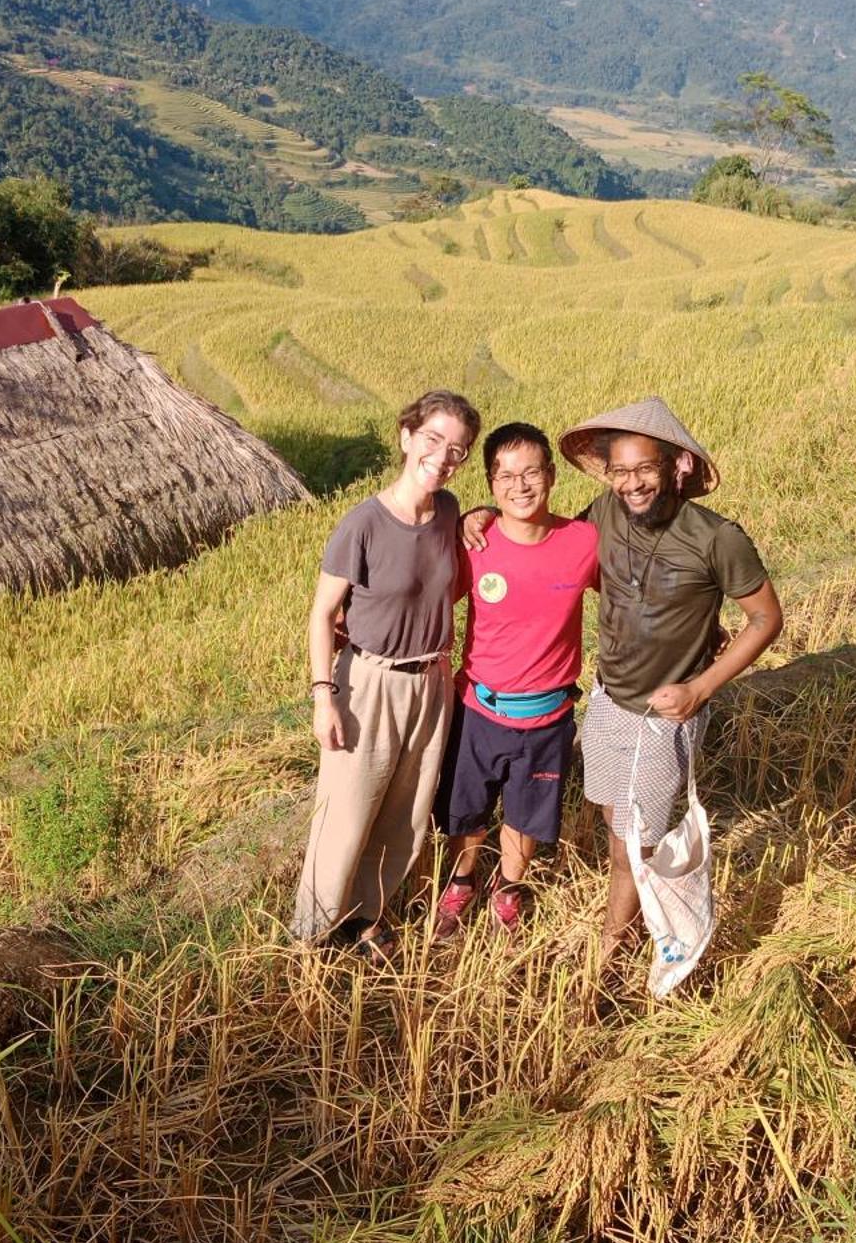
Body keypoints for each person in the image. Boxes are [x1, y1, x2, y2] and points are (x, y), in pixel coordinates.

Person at [463, 396, 782, 961]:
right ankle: (636, 909)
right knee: (615, 816)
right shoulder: (605, 513)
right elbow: (548, 543)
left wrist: (701, 687)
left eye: (645, 469)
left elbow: (766, 618)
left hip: (665, 713)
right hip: (609, 699)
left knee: (629, 842)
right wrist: (480, 516)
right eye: (620, 470)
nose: (632, 483)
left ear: (675, 466)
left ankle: (614, 946)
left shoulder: (716, 537)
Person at [292, 389, 481, 960]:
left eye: (458, 449)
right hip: (367, 684)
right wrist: (324, 697)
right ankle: (313, 932)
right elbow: (323, 614)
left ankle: (366, 916)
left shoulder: (449, 512)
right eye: (433, 440)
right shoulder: (364, 525)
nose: (443, 456)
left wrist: (481, 515)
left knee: (406, 813)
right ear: (406, 437)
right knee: (346, 816)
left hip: (431, 683)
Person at [432, 421, 600, 937]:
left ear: (551, 475)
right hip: (480, 709)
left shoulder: (584, 541)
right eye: (505, 476)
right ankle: (462, 879)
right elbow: (426, 603)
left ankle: (507, 885)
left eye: (531, 472)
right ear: (490, 484)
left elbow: (633, 592)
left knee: (526, 815)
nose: (520, 485)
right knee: (467, 809)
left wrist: (705, 627)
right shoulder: (475, 545)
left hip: (549, 716)